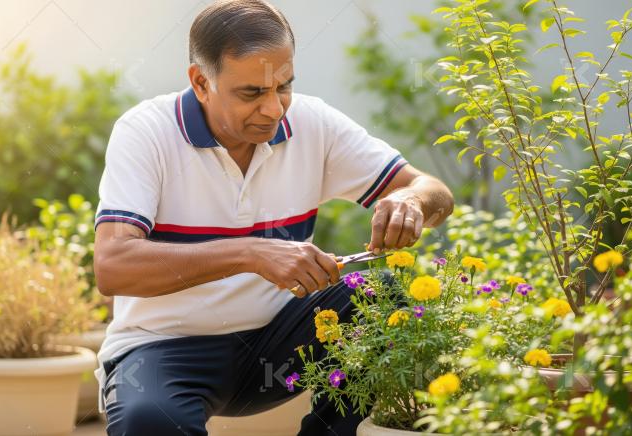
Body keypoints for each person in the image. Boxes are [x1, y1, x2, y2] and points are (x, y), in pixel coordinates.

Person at [93, 1, 454, 434]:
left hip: (282, 348)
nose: (274, 109)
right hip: (163, 350)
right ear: (201, 82)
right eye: (252, 93)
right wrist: (251, 253)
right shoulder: (146, 132)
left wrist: (412, 201)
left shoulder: (312, 122)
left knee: (378, 295)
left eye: (283, 86)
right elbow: (112, 267)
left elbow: (437, 193)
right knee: (149, 421)